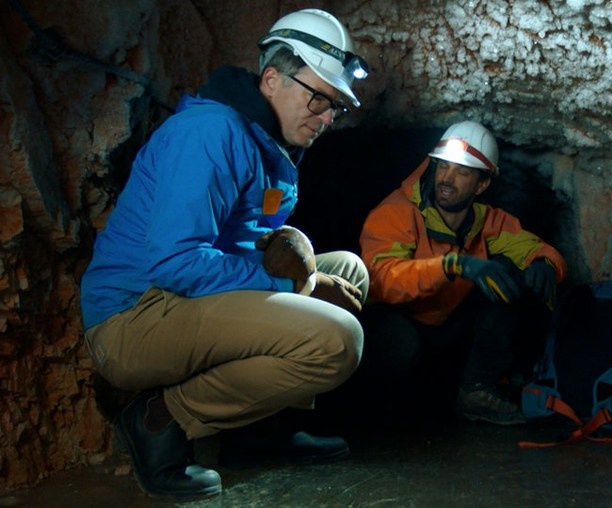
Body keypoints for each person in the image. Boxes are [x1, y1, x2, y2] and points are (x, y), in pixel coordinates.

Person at [79, 9, 370, 499]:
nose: (326, 117)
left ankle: (258, 431)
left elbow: (249, 242)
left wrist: (300, 267)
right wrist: (295, 284)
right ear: (272, 78)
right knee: (339, 340)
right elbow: (176, 264)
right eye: (318, 97)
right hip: (135, 316)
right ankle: (161, 421)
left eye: (335, 106)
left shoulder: (269, 147)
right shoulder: (212, 133)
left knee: (348, 270)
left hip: (183, 301)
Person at [356, 121, 567, 426]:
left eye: (462, 172)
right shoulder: (396, 212)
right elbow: (383, 280)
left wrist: (545, 264)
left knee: (507, 275)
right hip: (396, 322)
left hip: (445, 328)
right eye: (443, 167)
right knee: (397, 343)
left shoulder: (486, 221)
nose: (447, 179)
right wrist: (453, 265)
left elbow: (540, 249)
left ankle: (476, 392)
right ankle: (379, 414)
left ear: (481, 185)